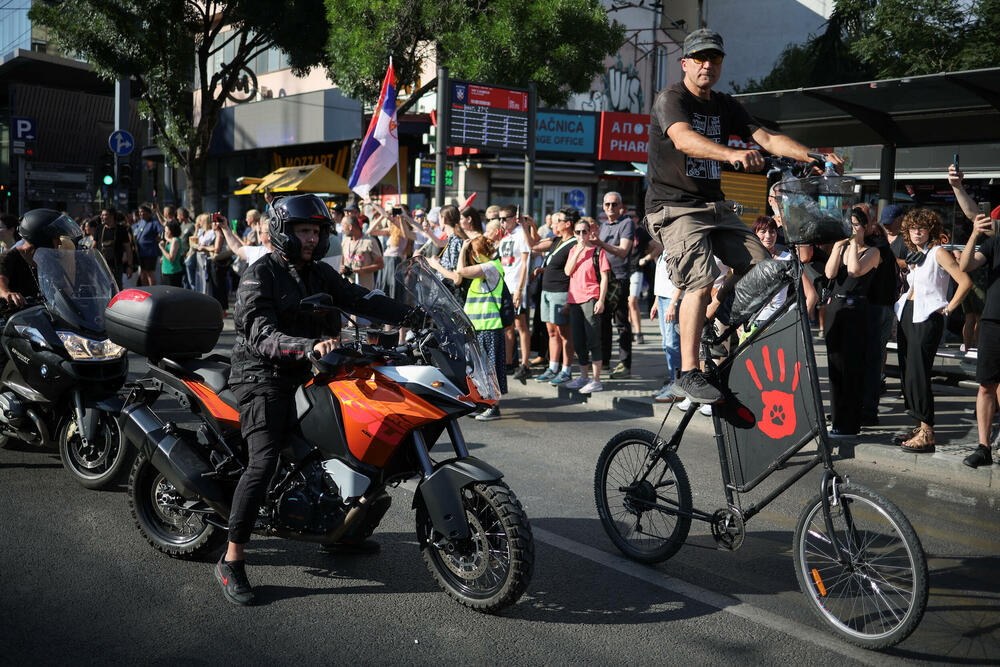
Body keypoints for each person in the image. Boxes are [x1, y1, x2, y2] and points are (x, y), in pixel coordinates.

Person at [219, 194, 419, 606]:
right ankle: (232, 558)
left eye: (315, 231)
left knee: (357, 439)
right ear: (283, 232)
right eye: (303, 231)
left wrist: (415, 317)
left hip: (315, 371)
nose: (310, 239)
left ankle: (340, 530)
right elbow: (262, 336)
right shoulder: (261, 275)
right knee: (264, 459)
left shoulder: (319, 274)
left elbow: (360, 299)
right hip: (263, 376)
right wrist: (309, 347)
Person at [644, 28, 843, 405]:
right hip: (674, 207)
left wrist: (811, 155)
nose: (707, 65)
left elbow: (766, 139)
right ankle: (687, 374)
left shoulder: (725, 105)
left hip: (713, 207)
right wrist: (730, 155)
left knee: (764, 268)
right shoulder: (671, 98)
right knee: (700, 280)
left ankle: (713, 326)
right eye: (699, 58)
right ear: (685, 63)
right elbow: (684, 139)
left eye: (714, 59)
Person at [895, 208, 971, 453]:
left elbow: (965, 282)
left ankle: (928, 432)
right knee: (908, 373)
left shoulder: (938, 252)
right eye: (912, 228)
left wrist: (949, 308)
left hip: (927, 317)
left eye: (922, 228)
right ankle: (919, 427)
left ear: (930, 230)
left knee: (919, 373)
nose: (916, 232)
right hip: (909, 313)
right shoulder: (916, 255)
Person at [428, 236, 508, 421]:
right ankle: (483, 403)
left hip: (490, 326)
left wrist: (461, 251)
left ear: (477, 253)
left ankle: (494, 406)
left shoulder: (491, 267)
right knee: (479, 368)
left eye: (472, 252)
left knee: (491, 368)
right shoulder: (483, 271)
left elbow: (461, 271)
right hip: (478, 326)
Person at [823, 206, 881, 438]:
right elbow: (829, 274)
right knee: (835, 367)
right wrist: (838, 248)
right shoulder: (842, 248)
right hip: (836, 308)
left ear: (865, 227)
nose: (852, 228)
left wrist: (855, 242)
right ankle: (837, 419)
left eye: (856, 224)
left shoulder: (873, 252)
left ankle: (850, 423)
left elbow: (855, 271)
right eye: (849, 224)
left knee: (852, 368)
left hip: (857, 309)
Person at [956, 202, 1000, 467]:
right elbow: (964, 265)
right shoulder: (996, 242)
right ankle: (983, 447)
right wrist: (974, 234)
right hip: (994, 319)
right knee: (986, 385)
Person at [563, 217, 610, 394]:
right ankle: (583, 376)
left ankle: (596, 379)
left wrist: (601, 300)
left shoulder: (599, 252)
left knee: (593, 339)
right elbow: (568, 271)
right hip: (574, 300)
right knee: (578, 340)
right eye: (578, 232)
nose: (582, 235)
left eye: (585, 231)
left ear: (590, 232)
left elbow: (605, 278)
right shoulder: (573, 250)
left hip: (590, 298)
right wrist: (578, 251)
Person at [532, 208, 577, 386]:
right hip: (547, 290)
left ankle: (566, 369)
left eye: (557, 221)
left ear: (567, 224)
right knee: (551, 332)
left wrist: (569, 300)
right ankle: (553, 366)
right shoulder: (556, 240)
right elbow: (534, 245)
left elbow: (573, 272)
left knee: (564, 333)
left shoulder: (574, 243)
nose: (553, 224)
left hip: (561, 292)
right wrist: (543, 270)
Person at [0, 209, 80, 307]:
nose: (59, 242)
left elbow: (65, 289)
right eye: (56, 237)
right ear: (41, 237)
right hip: (19, 318)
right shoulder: (9, 257)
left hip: (48, 318)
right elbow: (1, 282)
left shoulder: (51, 259)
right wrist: (7, 293)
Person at [593, 192, 634, 379]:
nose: (610, 207)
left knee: (621, 323)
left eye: (614, 204)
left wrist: (600, 243)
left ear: (621, 206)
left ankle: (625, 364)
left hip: (619, 278)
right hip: (604, 279)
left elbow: (624, 252)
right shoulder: (603, 226)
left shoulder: (626, 223)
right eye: (607, 204)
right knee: (603, 323)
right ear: (603, 206)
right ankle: (606, 362)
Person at [497, 205, 532, 383]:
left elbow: (526, 263)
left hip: (517, 286)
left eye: (505, 218)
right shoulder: (504, 236)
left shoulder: (521, 234)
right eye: (500, 219)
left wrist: (520, 289)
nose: (502, 222)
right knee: (508, 326)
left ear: (514, 218)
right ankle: (508, 362)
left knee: (521, 325)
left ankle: (525, 364)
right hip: (505, 285)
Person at [340, 213, 384, 289]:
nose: (342, 229)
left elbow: (381, 264)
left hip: (365, 289)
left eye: (343, 226)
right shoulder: (345, 241)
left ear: (350, 227)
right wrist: (342, 268)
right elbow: (342, 261)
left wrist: (361, 270)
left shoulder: (370, 241)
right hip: (347, 288)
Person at [133, 205, 163, 286]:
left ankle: (152, 291)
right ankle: (145, 290)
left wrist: (158, 238)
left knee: (150, 273)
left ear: (148, 213)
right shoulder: (142, 222)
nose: (140, 214)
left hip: (150, 252)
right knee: (143, 273)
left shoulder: (154, 222)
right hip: (141, 252)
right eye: (139, 212)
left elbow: (162, 232)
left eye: (142, 212)